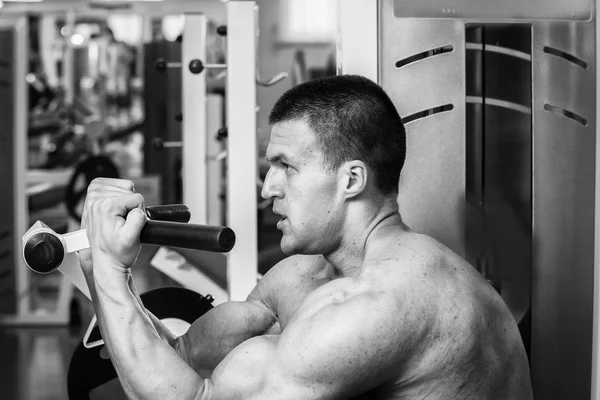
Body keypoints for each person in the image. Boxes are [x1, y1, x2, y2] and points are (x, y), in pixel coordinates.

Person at [80, 74, 534, 399]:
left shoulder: (385, 301)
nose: (267, 188)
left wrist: (110, 268)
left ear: (351, 180)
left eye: (287, 168)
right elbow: (182, 358)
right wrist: (95, 260)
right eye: (269, 167)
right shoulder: (304, 275)